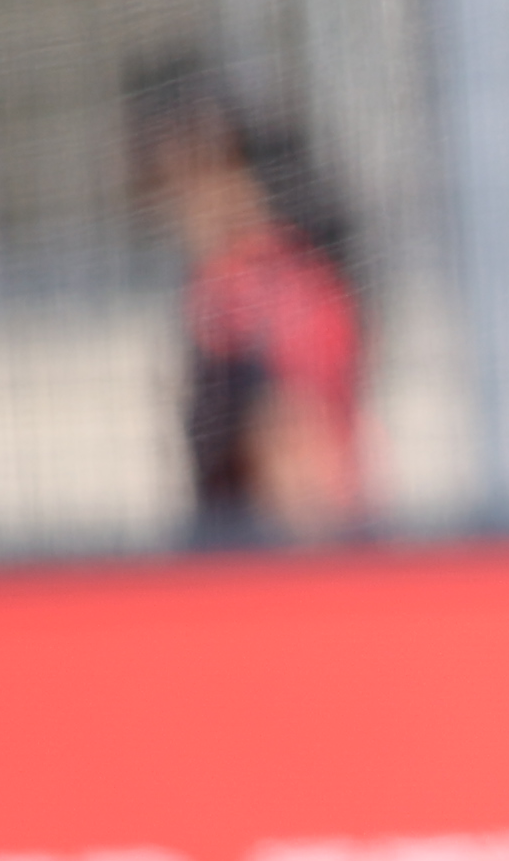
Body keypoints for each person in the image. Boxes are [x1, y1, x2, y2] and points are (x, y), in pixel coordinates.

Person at [126, 56, 369, 545]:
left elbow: (296, 458)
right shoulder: (253, 275)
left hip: (282, 574)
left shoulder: (261, 285)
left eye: (158, 181)